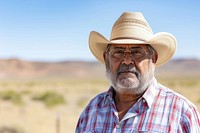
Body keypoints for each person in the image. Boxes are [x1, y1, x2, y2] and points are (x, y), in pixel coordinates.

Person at [76, 12, 200, 133]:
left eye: (137, 52)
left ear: (154, 58)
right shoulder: (92, 110)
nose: (127, 61)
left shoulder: (182, 113)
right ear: (106, 58)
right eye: (118, 52)